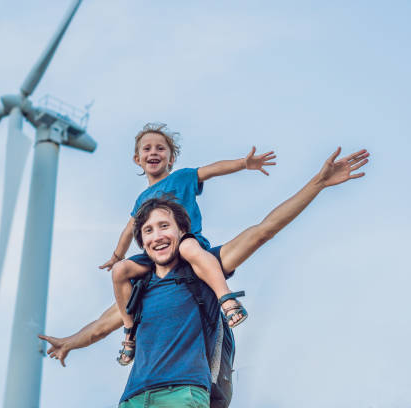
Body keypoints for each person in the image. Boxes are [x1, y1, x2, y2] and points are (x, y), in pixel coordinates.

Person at [39, 147, 369, 406]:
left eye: (164, 226)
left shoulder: (203, 268)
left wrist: (318, 183)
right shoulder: (139, 291)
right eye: (149, 231)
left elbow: (263, 231)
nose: (157, 236)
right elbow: (98, 327)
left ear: (183, 231)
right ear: (142, 242)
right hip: (134, 397)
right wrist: (69, 342)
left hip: (183, 395)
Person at [100, 123, 277, 364]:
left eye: (160, 148)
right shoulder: (141, 200)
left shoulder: (181, 178)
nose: (153, 152)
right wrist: (116, 256)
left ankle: (226, 299)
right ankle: (130, 333)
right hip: (158, 255)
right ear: (137, 159)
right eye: (147, 149)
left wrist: (244, 164)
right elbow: (129, 229)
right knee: (121, 272)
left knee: (186, 247)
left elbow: (212, 170)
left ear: (171, 158)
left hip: (186, 243)